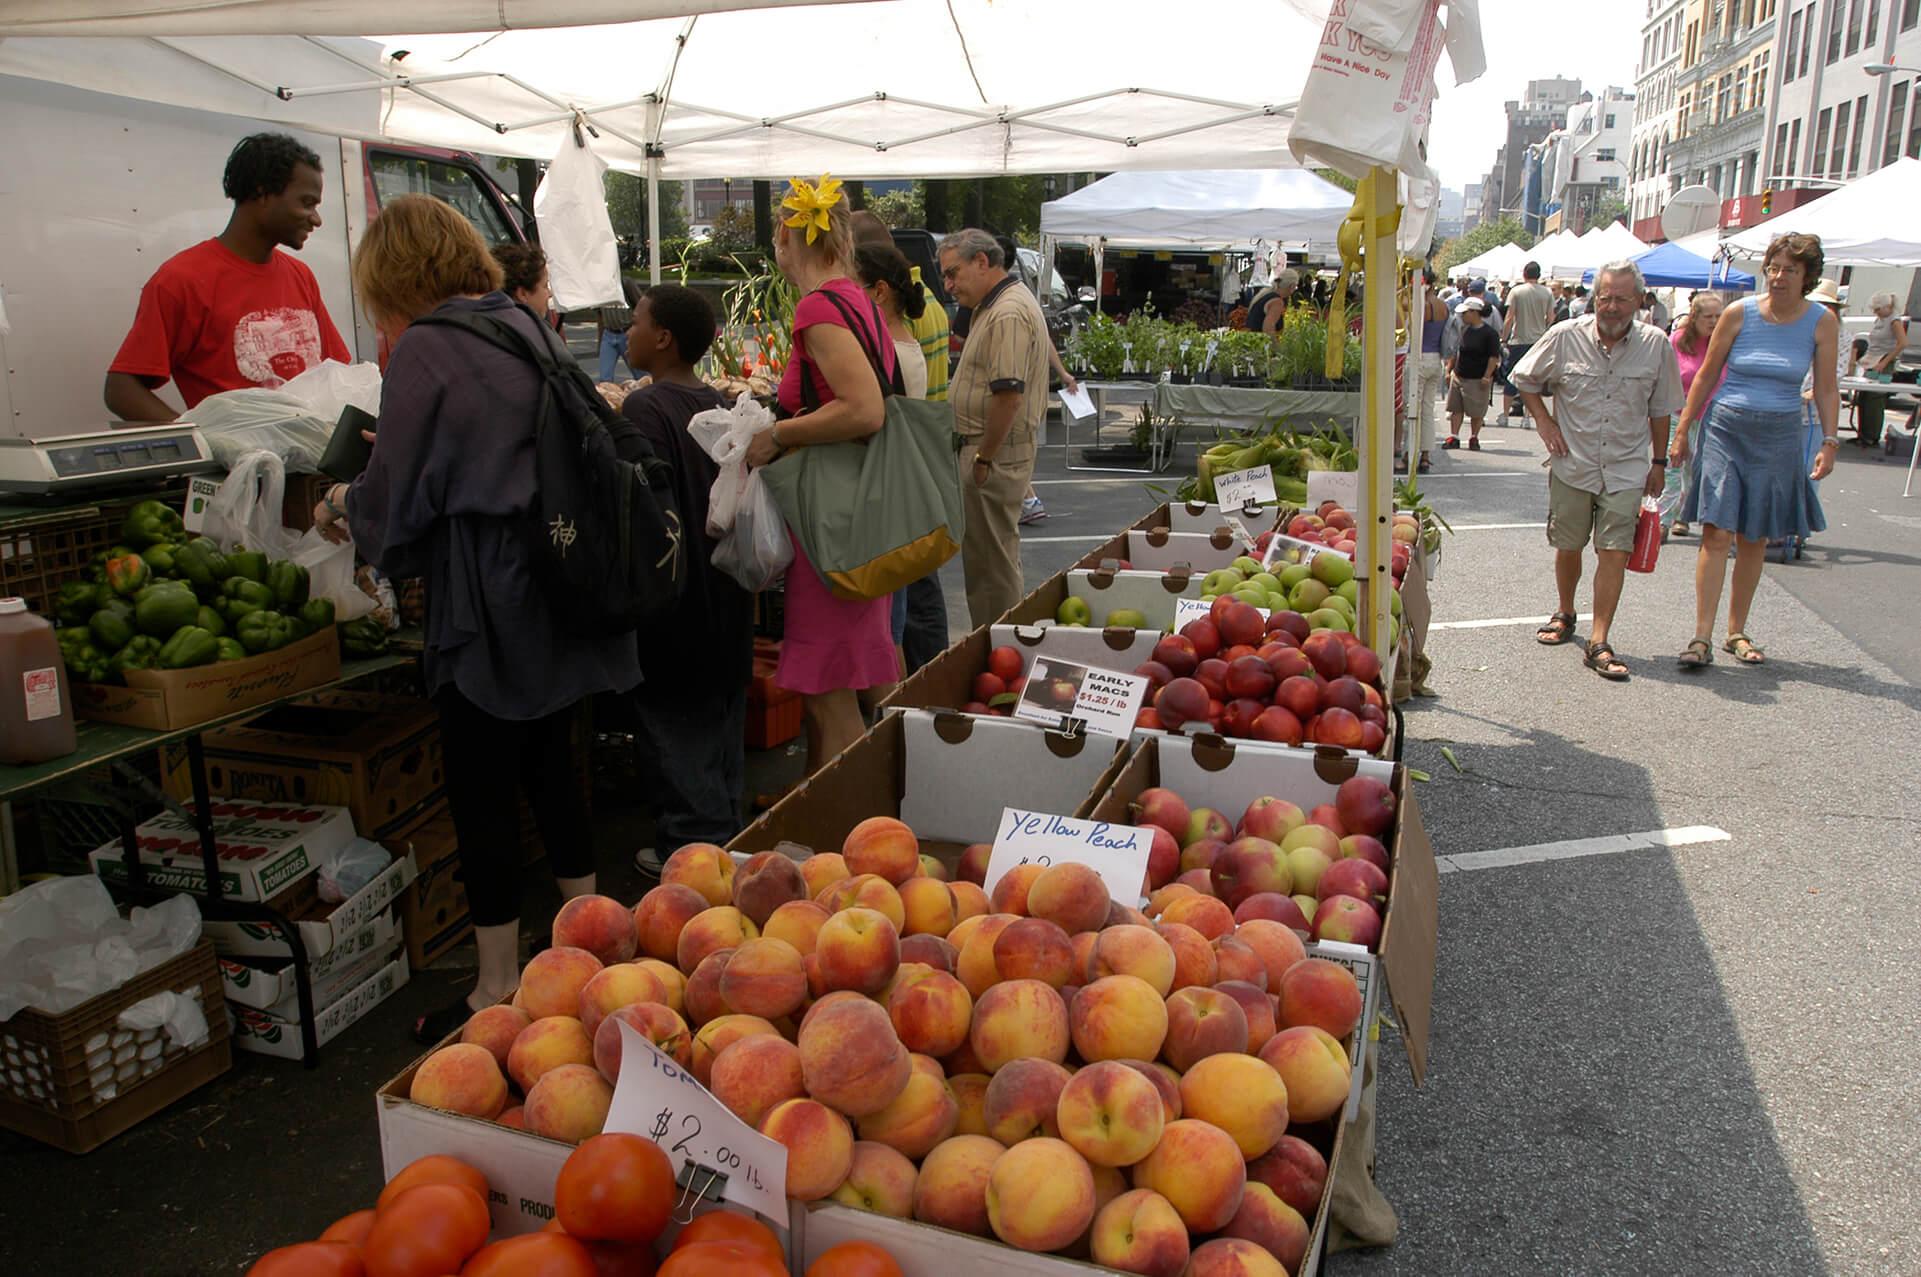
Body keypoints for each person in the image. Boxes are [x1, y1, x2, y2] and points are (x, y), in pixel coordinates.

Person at [311, 195, 639, 1037]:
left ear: (392, 273)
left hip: (492, 595)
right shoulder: (518, 320)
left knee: (482, 782)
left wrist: (346, 498)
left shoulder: (425, 347)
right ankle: (592, 946)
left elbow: (401, 490)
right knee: (553, 768)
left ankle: (494, 985)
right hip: (557, 575)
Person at [742, 176, 898, 773]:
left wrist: (777, 434)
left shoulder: (819, 305)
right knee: (837, 687)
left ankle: (853, 832)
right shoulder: (857, 298)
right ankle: (846, 828)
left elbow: (864, 408)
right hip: (855, 513)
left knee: (832, 696)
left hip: (834, 521)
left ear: (786, 236)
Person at [616, 285, 749, 861]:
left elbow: (643, 507)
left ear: (663, 338)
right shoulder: (717, 401)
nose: (627, 331)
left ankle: (695, 858)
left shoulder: (645, 408)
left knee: (677, 734)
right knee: (719, 734)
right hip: (726, 593)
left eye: (635, 321)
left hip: (676, 601)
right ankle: (729, 846)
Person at [1511, 258, 1684, 682]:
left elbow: (1661, 410)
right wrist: (1545, 422)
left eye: (1620, 299)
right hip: (1573, 463)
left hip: (1626, 468)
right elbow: (1524, 379)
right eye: (1604, 297)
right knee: (1568, 544)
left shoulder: (1656, 344)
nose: (1611, 307)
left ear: (1639, 301)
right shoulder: (1565, 336)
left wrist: (1659, 462)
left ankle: (1599, 639)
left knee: (1614, 551)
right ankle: (1565, 611)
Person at [1671, 233, 1837, 669]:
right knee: (1716, 530)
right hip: (1726, 428)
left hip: (1780, 435)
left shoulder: (1821, 322)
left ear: (1807, 277)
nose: (1780, 277)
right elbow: (1706, 376)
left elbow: (1826, 387)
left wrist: (1830, 442)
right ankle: (1701, 636)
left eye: (1791, 270)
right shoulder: (1738, 312)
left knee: (1754, 536)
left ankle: (1736, 632)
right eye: (1775, 267)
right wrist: (1683, 429)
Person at [106, 132, 350, 421]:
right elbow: (122, 389)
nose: (316, 219)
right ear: (262, 193)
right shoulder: (182, 280)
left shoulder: (300, 275)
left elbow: (337, 374)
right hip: (241, 465)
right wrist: (206, 441)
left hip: (311, 461)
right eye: (306, 203)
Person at [849, 210, 949, 674]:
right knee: (912, 588)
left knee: (906, 597)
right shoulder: (923, 302)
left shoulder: (890, 334)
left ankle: (920, 681)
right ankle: (926, 675)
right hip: (922, 453)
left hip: (906, 464)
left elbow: (875, 410)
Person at [940, 228, 1051, 627]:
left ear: (983, 262)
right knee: (990, 561)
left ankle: (999, 649)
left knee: (992, 568)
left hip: (992, 453)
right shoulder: (998, 303)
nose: (950, 285)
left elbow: (1008, 395)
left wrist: (984, 457)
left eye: (954, 273)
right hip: (987, 450)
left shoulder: (1006, 312)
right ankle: (998, 646)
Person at [1665, 290, 1728, 538]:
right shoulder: (1677, 341)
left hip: (1710, 416)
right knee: (1672, 465)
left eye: (1718, 316)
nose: (1714, 322)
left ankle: (1683, 515)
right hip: (1676, 412)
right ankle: (1663, 519)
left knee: (1696, 468)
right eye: (1708, 317)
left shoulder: (1724, 344)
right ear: (1694, 317)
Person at [1396, 267, 1445, 474]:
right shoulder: (1443, 305)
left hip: (1417, 358)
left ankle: (1409, 454)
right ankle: (1425, 455)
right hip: (1436, 359)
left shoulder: (1414, 305)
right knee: (1427, 410)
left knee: (1411, 409)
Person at [1852, 291, 1909, 448]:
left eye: (1878, 309)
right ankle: (1862, 433)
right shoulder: (1881, 319)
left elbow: (1903, 343)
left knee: (1875, 399)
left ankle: (1871, 435)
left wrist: (1885, 362)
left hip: (1884, 360)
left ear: (1888, 307)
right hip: (1873, 359)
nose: (1875, 312)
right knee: (1863, 396)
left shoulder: (1894, 321)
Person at [1441, 298, 1500, 451]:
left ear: (1474, 312)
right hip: (1459, 374)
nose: (1463, 316)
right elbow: (1457, 351)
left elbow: (1493, 357)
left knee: (1477, 411)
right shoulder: (1463, 329)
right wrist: (1449, 370)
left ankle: (1474, 436)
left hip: (1477, 377)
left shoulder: (1489, 333)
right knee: (1455, 408)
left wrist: (1487, 376)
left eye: (1465, 313)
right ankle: (1454, 436)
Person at [1501, 261, 1555, 419]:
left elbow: (1509, 317)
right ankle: (1527, 416)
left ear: (1524, 273)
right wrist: (1544, 329)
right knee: (1533, 380)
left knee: (1512, 377)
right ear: (1538, 275)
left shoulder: (1516, 291)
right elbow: (1551, 316)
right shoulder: (1547, 293)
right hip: (1538, 341)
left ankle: (1505, 414)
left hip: (1518, 339)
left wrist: (1504, 338)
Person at [493, 243, 554, 320]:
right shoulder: (527, 330)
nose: (550, 294)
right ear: (522, 294)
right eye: (545, 286)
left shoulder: (482, 324)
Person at [598, 278, 641, 382]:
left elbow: (641, 306)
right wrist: (600, 340)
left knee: (640, 375)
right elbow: (599, 315)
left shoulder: (625, 283)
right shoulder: (599, 287)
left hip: (626, 333)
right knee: (605, 378)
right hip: (608, 334)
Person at [1246, 267, 1300, 335]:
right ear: (1292, 286)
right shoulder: (1277, 302)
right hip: (1260, 342)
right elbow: (1268, 329)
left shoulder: (1265, 294)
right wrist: (1276, 345)